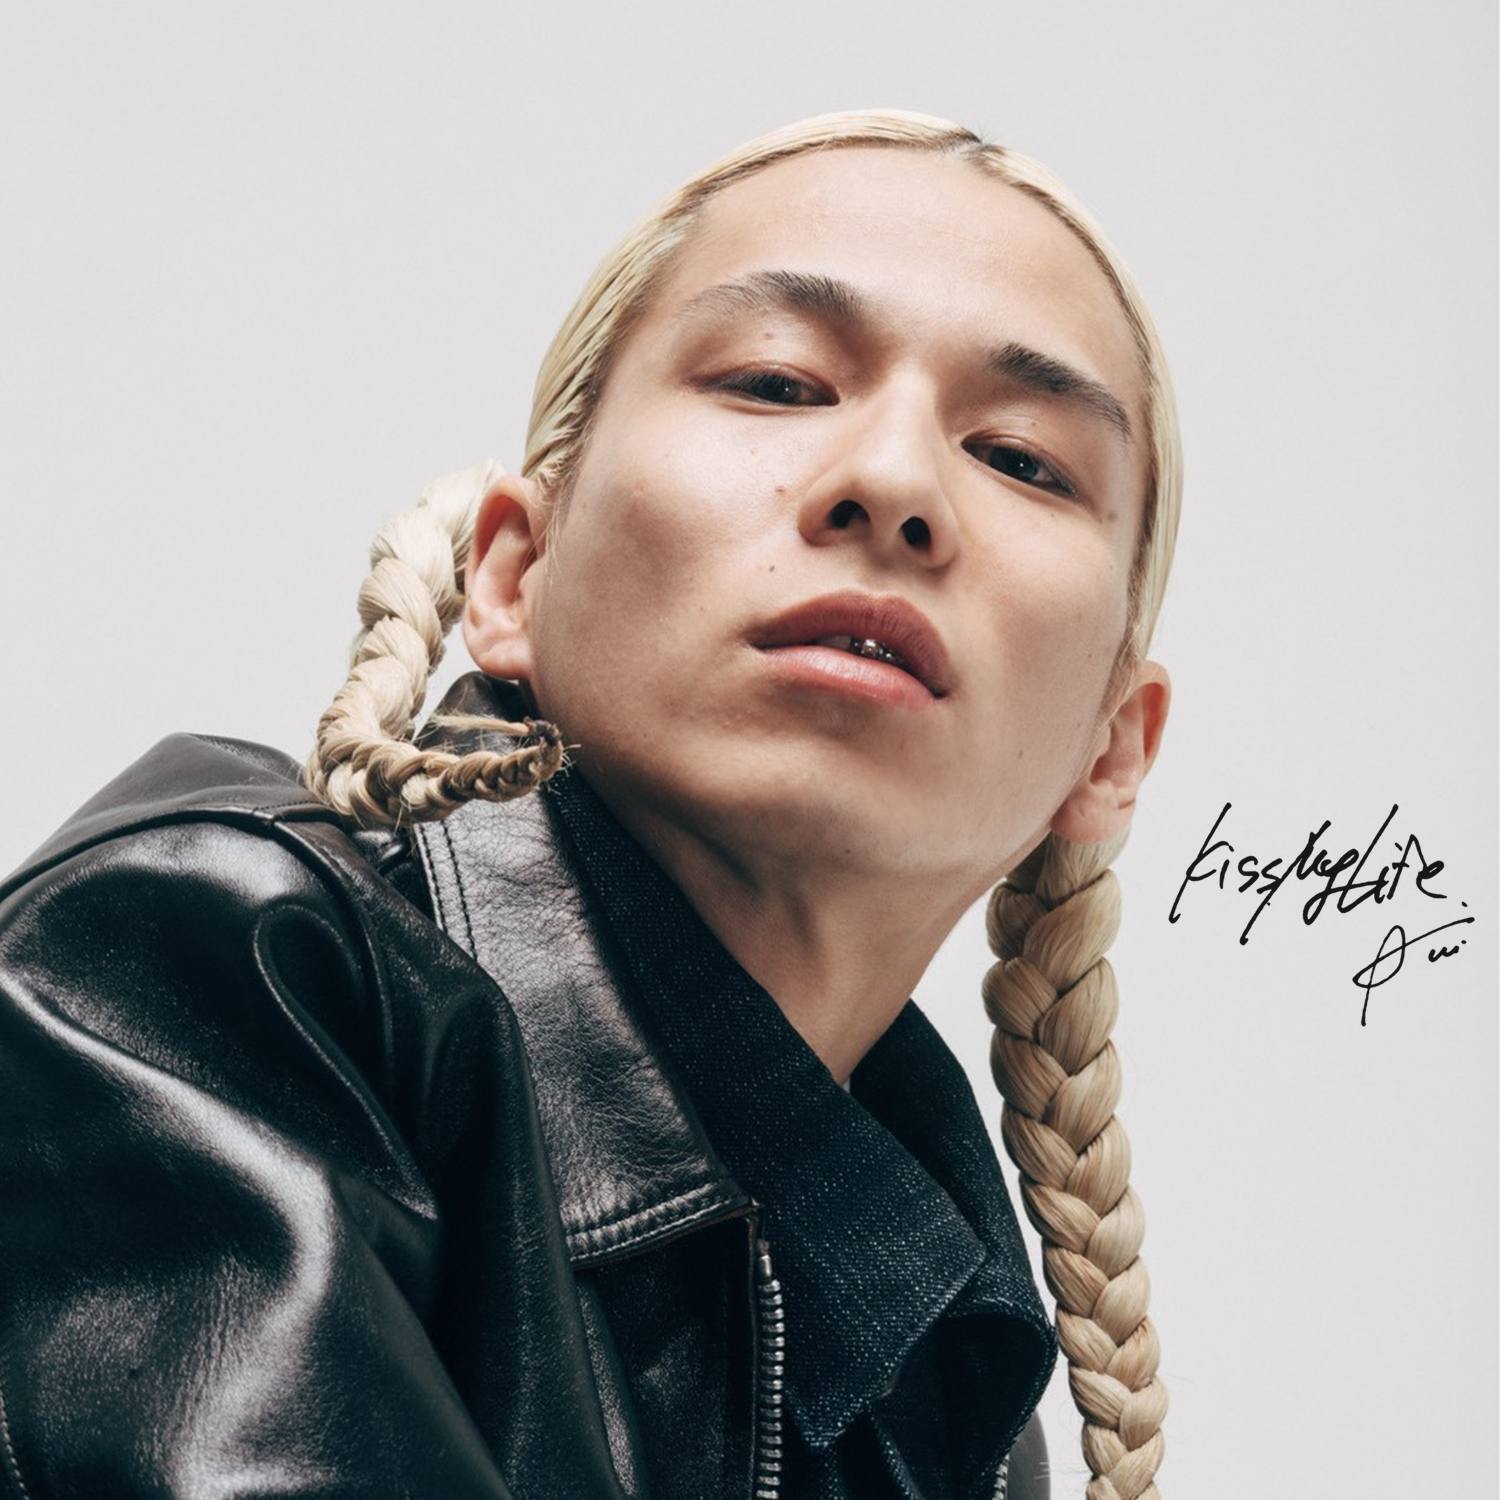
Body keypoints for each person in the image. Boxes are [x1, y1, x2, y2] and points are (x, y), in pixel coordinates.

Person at [0, 108, 1178, 1499]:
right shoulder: (210, 958)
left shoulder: (942, 1376)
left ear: (1110, 751)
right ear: (514, 573)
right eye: (778, 382)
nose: (895, 484)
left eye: (1023, 458)